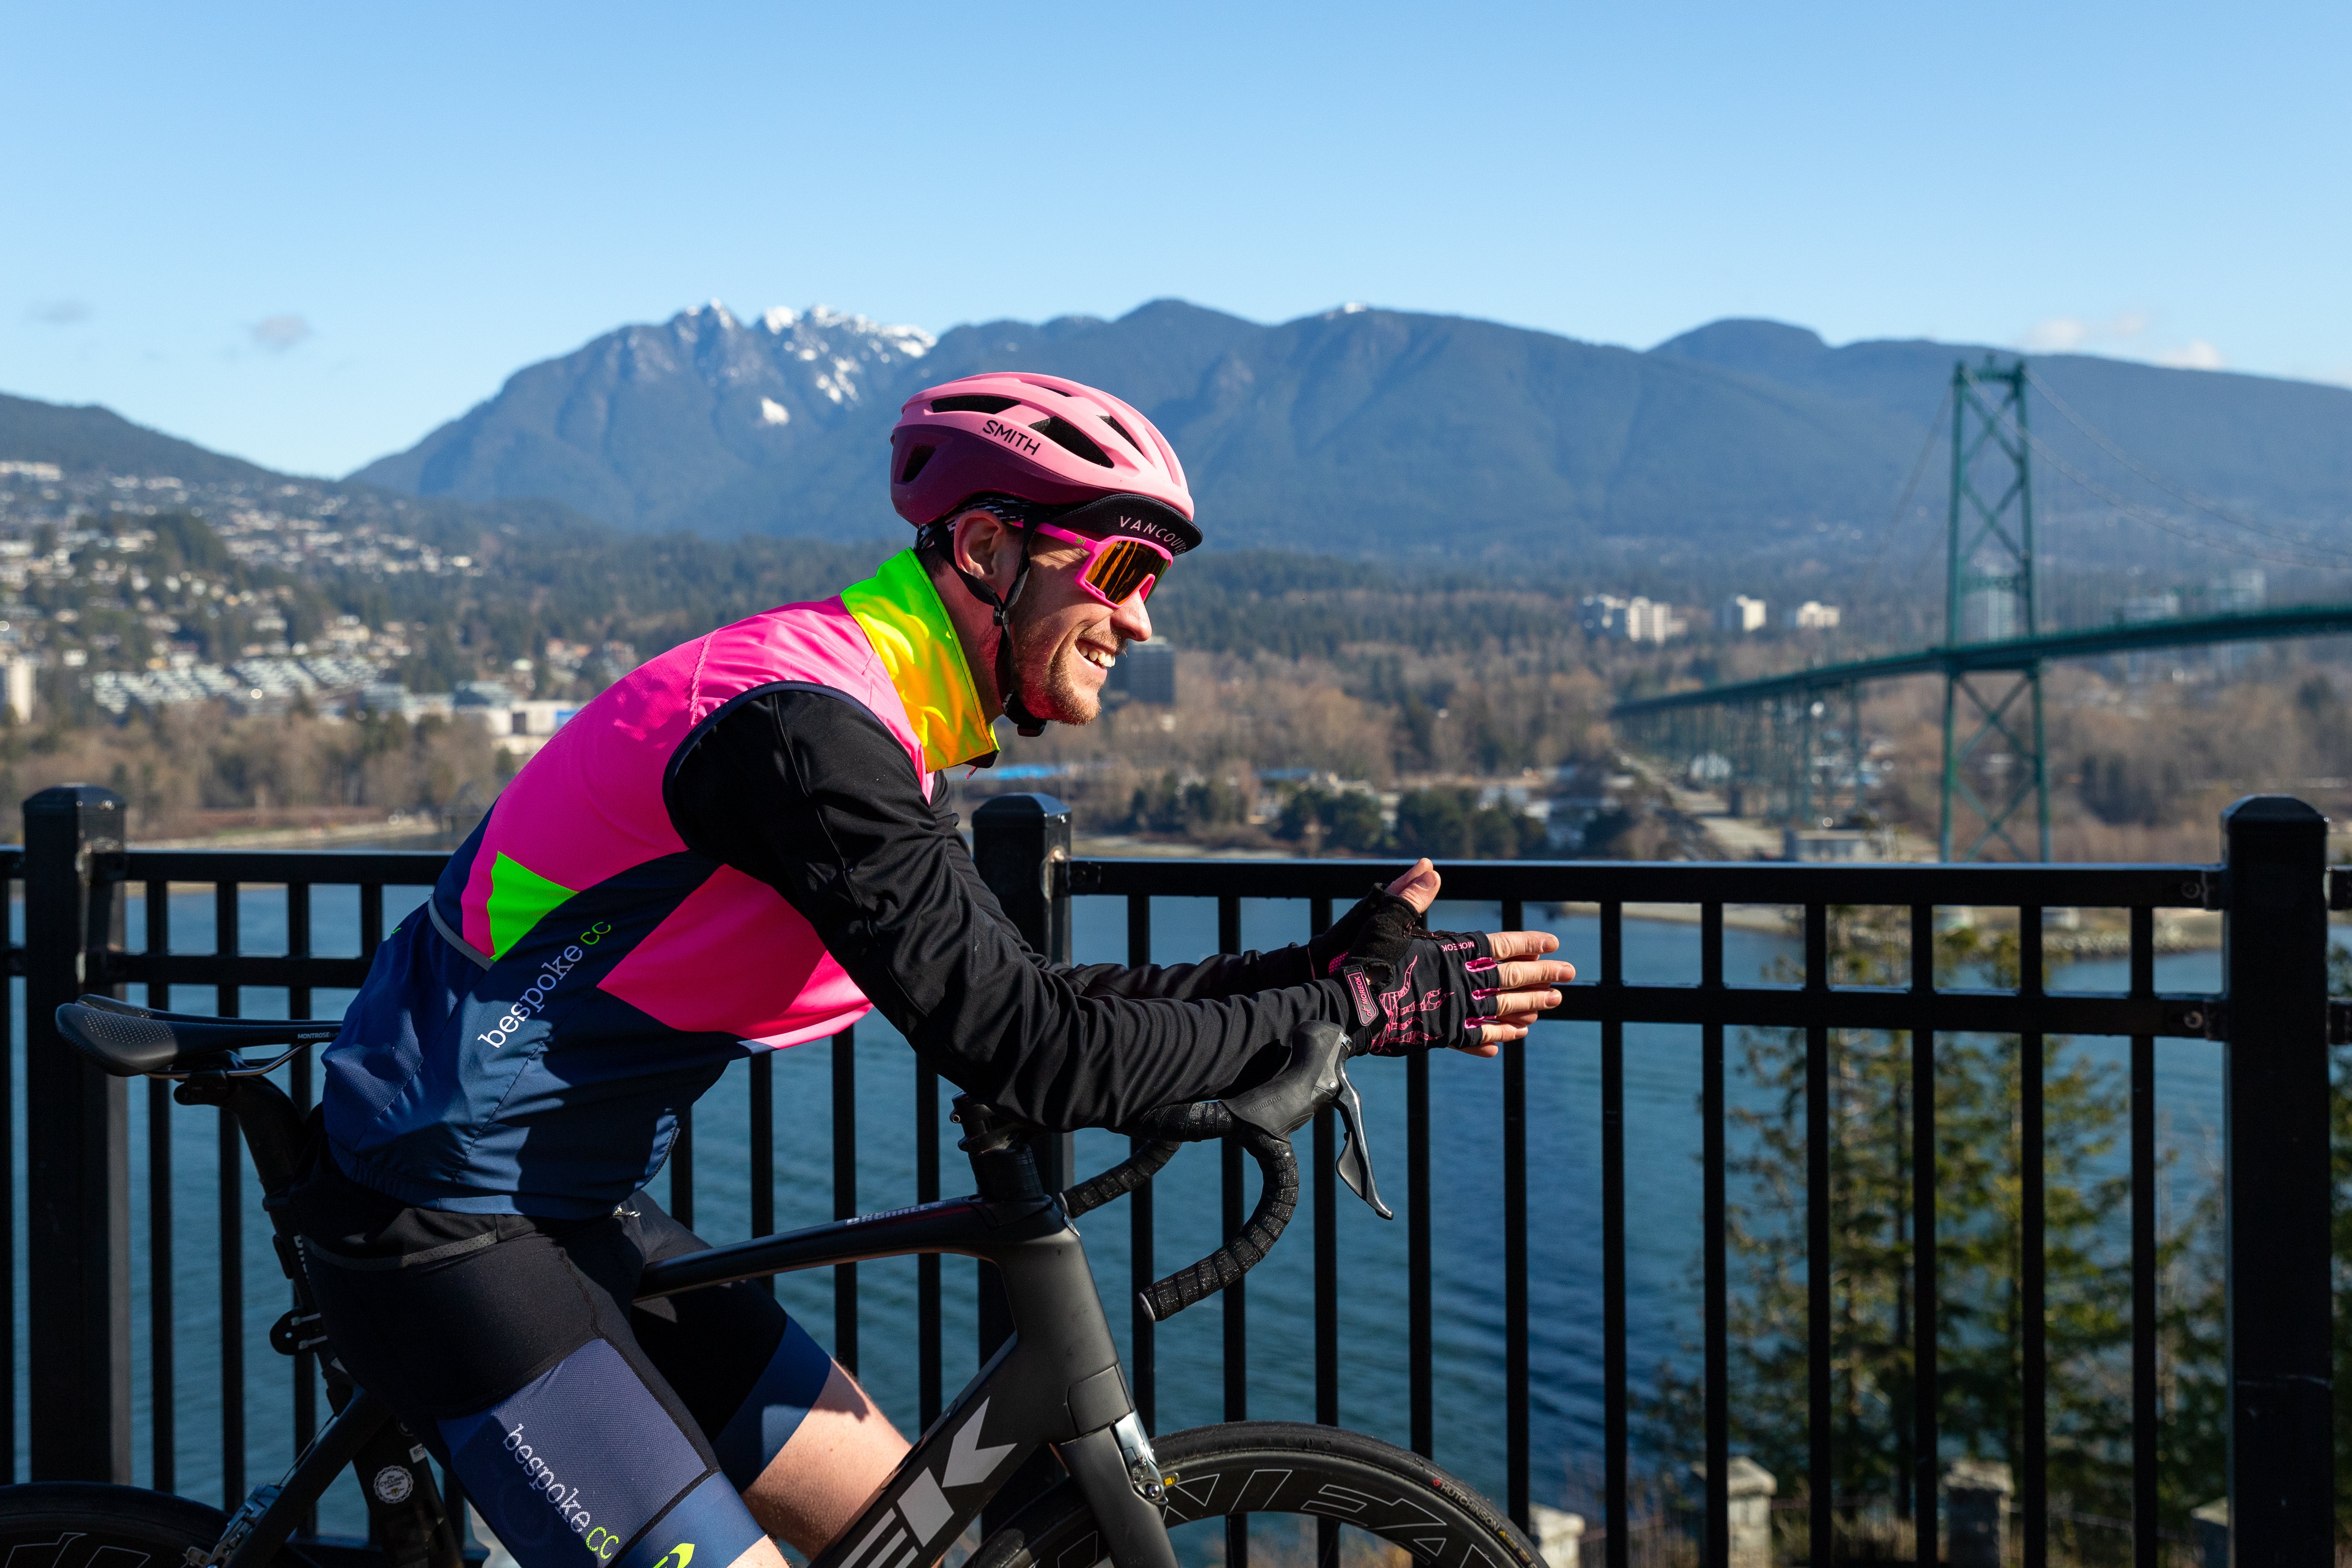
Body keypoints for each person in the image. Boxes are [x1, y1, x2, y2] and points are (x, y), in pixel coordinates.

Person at [282, 371, 1576, 1568]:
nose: (1137, 615)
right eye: (1123, 565)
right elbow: (1038, 1055)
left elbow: (1046, 1009)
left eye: (1158, 581)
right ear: (985, 551)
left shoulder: (875, 723)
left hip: (568, 1205)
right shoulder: (802, 735)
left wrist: (1321, 975)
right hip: (443, 1227)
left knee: (907, 1533)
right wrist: (1340, 1007)